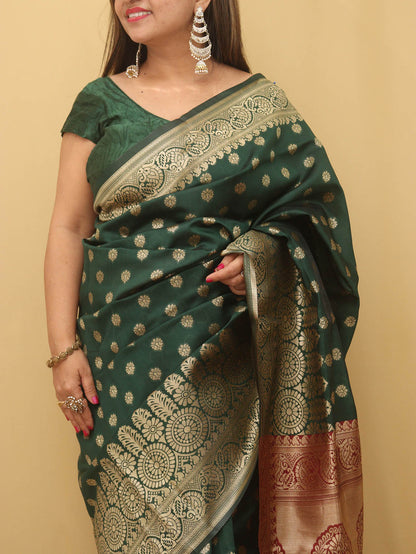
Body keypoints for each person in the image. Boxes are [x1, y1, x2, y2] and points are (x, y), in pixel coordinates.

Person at [44, 1, 363, 552]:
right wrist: (62, 350)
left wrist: (261, 260)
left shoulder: (261, 106)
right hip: (121, 366)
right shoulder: (98, 104)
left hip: (230, 367)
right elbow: (69, 227)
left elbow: (315, 221)